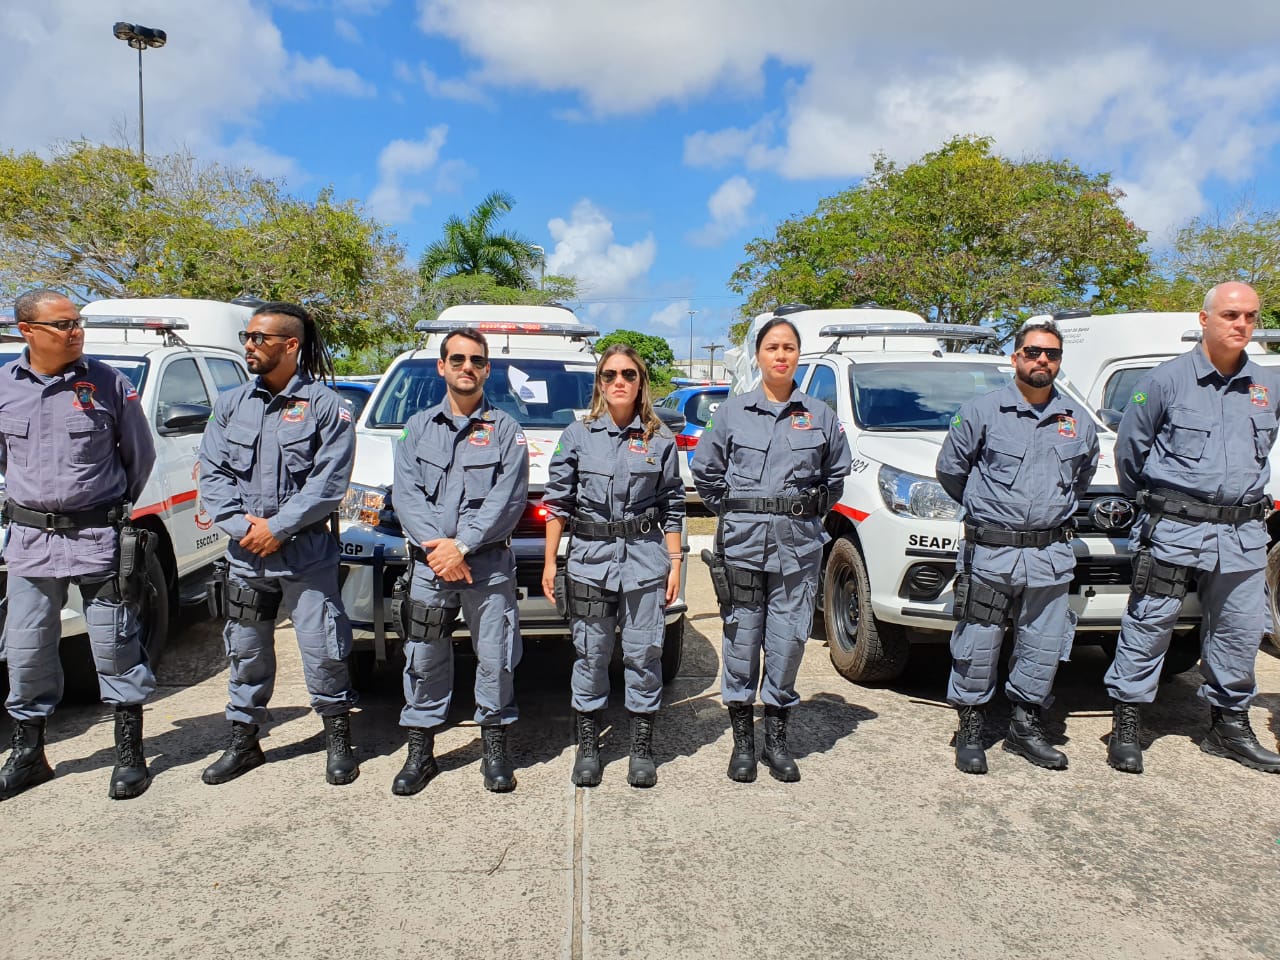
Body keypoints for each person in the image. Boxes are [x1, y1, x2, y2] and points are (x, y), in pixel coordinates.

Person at [1104, 281, 1280, 775]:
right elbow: (1129, 453)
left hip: (1244, 536)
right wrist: (1156, 506)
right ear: (1204, 320)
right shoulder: (1164, 381)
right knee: (1150, 623)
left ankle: (1228, 727)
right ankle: (1127, 721)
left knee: (1241, 631)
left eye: (1249, 316)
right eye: (1230, 315)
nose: (1241, 324)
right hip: (1176, 529)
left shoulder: (1268, 385)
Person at [0, 290, 157, 801]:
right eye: (62, 324)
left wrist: (107, 510)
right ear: (28, 331)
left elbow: (140, 455)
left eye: (76, 322)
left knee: (114, 645)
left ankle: (129, 755)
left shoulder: (109, 382)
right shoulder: (4, 386)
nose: (75, 331)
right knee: (25, 651)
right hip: (29, 542)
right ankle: (29, 755)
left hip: (97, 538)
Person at [198, 301, 360, 786]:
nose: (248, 345)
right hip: (246, 556)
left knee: (323, 649)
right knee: (245, 649)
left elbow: (328, 485)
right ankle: (244, 742)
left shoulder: (327, 408)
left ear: (291, 345)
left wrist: (279, 527)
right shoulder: (230, 404)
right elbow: (213, 470)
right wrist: (241, 527)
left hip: (306, 557)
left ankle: (337, 740)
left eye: (259, 338)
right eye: (247, 337)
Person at [936, 319, 1099, 774]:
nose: (1041, 360)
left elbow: (1081, 479)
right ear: (1015, 358)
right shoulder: (981, 412)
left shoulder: (1077, 421)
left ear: (1059, 361)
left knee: (1044, 645)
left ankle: (1025, 729)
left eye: (1050, 353)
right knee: (979, 643)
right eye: (1032, 352)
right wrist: (991, 512)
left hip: (1050, 555)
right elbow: (951, 472)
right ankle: (970, 729)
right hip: (991, 553)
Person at [692, 318, 851, 783]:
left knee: (788, 643)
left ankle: (776, 742)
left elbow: (835, 476)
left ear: (798, 356)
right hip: (742, 548)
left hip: (798, 551)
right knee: (742, 641)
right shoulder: (732, 413)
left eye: (789, 348)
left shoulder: (820, 415)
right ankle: (743, 743)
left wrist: (804, 513)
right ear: (759, 356)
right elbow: (705, 471)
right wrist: (738, 512)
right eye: (772, 347)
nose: (781, 355)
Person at [390, 327, 530, 795]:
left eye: (475, 360)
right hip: (431, 568)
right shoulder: (416, 428)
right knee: (423, 657)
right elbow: (406, 495)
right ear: (442, 366)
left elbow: (507, 501)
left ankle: (494, 752)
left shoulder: (506, 430)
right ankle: (420, 753)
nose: (466, 367)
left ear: (486, 369)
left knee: (495, 658)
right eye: (457, 359)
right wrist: (439, 548)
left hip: (486, 567)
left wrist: (462, 545)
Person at [540, 345, 684, 788]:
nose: (618, 381)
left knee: (644, 655)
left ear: (641, 381)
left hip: (644, 561)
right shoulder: (577, 434)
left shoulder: (660, 439)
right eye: (609, 375)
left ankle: (641, 749)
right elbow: (557, 502)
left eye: (628, 374)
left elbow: (673, 504)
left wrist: (676, 563)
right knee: (591, 655)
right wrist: (551, 560)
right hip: (589, 563)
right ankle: (588, 748)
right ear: (599, 383)